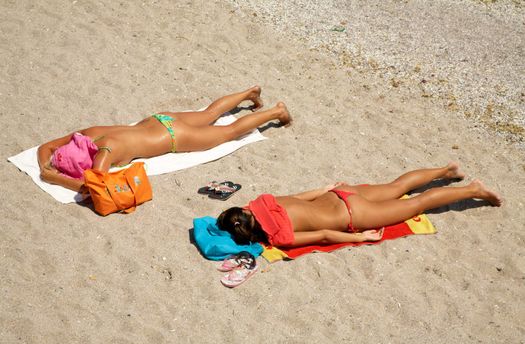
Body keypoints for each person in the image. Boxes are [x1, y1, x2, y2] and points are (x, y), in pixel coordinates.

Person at [37, 86, 292, 192]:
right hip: (161, 120)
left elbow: (95, 189)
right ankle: (250, 92)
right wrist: (43, 164)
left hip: (175, 136)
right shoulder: (89, 134)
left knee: (230, 131)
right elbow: (46, 147)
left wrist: (52, 177)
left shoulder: (104, 154)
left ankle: (276, 111)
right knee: (210, 114)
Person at [217, 163, 502, 248]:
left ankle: (474, 189)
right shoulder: (262, 201)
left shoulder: (279, 238)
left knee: (419, 203)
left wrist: (358, 237)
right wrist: (326, 188)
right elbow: (301, 197)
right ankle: (446, 171)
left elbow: (324, 236)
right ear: (244, 210)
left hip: (355, 214)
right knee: (397, 187)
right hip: (340, 195)